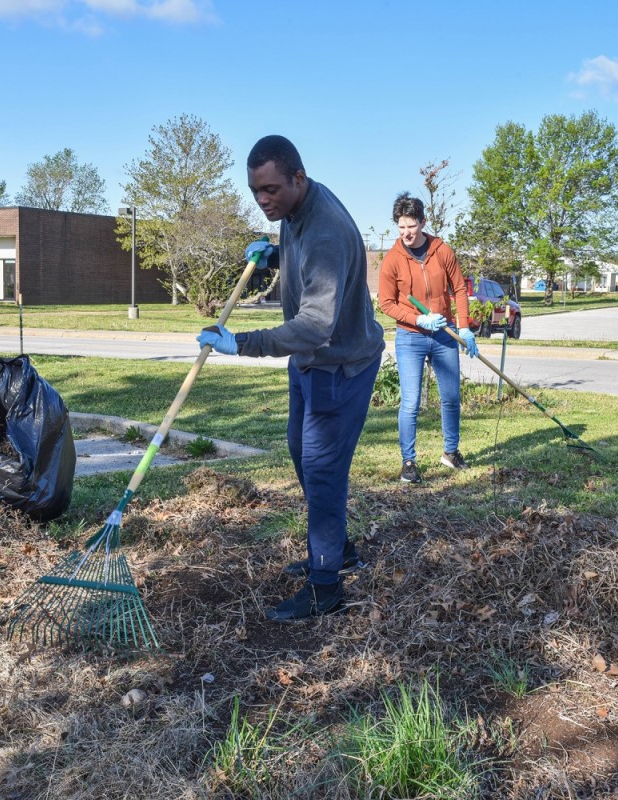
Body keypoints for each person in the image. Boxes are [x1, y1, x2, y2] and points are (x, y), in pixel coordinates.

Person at [196, 135, 385, 622]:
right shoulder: (298, 210)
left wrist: (241, 343)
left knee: (323, 471)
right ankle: (339, 549)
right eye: (256, 191)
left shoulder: (323, 229)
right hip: (307, 366)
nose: (263, 201)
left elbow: (314, 327)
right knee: (302, 454)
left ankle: (326, 586)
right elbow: (313, 269)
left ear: (298, 178)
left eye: (271, 190)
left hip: (338, 367)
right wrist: (276, 257)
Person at [377, 193, 478, 484]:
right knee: (410, 402)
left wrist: (465, 327)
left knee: (451, 397)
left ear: (422, 222)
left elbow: (459, 289)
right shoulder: (392, 260)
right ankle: (408, 462)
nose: (406, 233)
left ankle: (451, 453)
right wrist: (418, 318)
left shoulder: (441, 251)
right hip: (410, 337)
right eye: (401, 227)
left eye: (411, 226)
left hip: (444, 335)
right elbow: (387, 303)